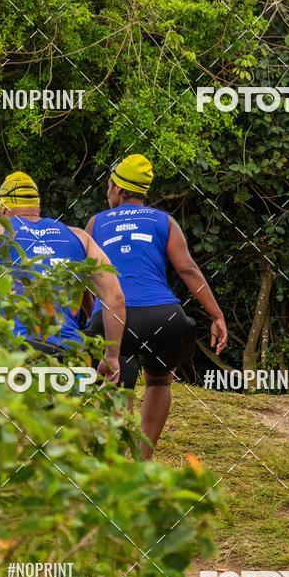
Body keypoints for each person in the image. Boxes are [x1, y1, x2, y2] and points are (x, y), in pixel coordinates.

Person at [85, 154, 228, 458]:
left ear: (118, 189)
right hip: (163, 317)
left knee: (117, 377)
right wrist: (216, 315)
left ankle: (114, 457)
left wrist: (90, 322)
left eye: (109, 185)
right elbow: (188, 270)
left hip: (113, 317)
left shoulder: (95, 223)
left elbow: (87, 280)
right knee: (159, 380)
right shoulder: (164, 221)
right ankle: (142, 459)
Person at [0, 171, 125, 381]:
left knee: (7, 412)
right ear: (37, 206)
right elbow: (115, 298)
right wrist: (112, 357)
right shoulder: (79, 236)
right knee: (61, 413)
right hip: (67, 352)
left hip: (14, 352)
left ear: (2, 208)